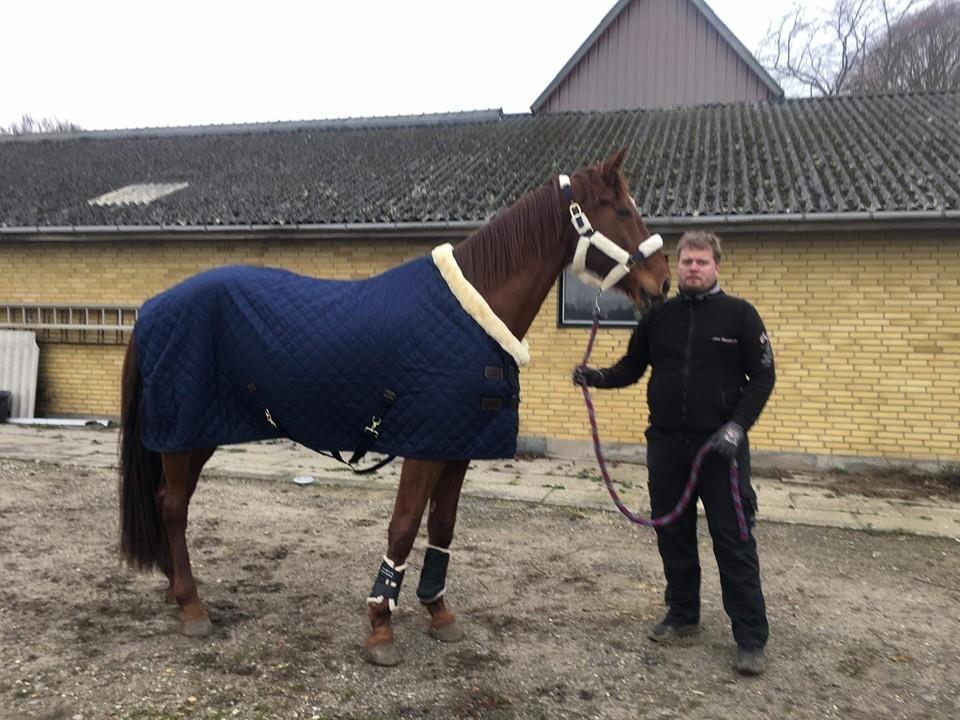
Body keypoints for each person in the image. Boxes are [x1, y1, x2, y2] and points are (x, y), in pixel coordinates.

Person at [573, 231, 775, 676]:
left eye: (702, 261)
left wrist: (737, 429)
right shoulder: (658, 318)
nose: (693, 268)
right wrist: (597, 377)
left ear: (716, 266)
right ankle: (683, 614)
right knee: (674, 536)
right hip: (667, 448)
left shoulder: (740, 315)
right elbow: (631, 368)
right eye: (686, 261)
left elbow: (762, 377)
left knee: (734, 541)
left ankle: (750, 636)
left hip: (719, 450)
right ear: (677, 266)